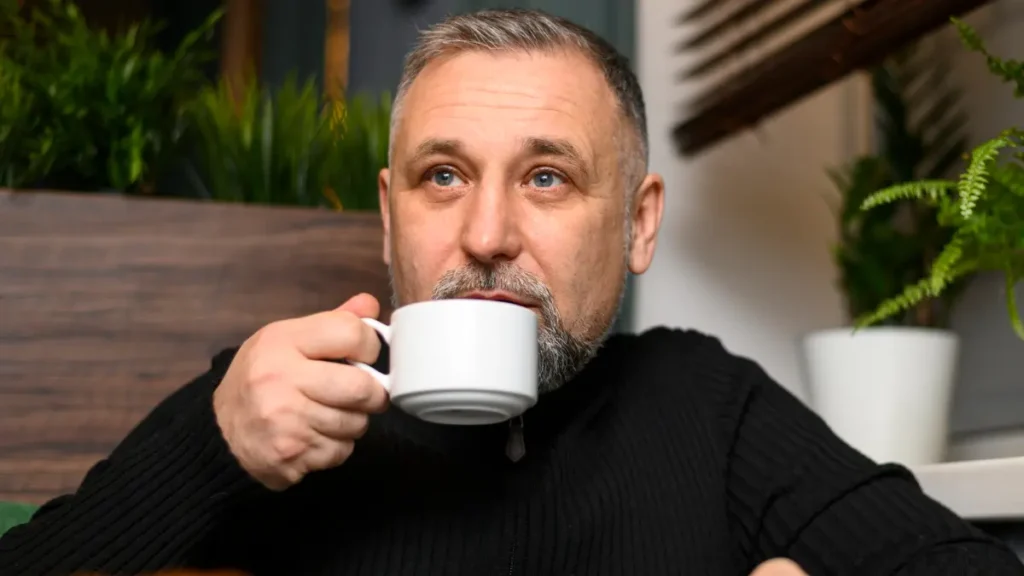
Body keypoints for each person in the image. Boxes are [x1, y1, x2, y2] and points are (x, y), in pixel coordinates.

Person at [1, 8, 1022, 576]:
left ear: (638, 224)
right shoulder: (274, 407)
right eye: (444, 175)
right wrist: (208, 446)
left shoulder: (705, 403)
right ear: (390, 215)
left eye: (546, 178)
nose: (486, 236)